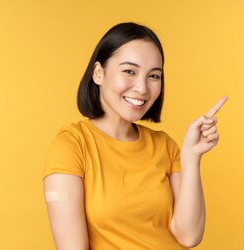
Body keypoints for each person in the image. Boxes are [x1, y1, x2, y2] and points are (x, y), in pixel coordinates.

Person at [43, 22, 227, 249]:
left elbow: (189, 236)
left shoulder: (164, 145)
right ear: (98, 73)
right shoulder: (72, 145)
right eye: (129, 71)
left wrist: (191, 156)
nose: (142, 87)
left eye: (154, 76)